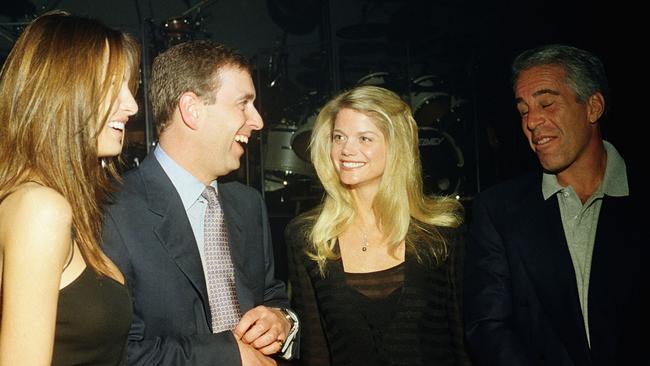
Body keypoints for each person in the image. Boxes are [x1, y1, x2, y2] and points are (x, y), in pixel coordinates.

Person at [102, 40, 299, 366]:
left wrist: (282, 321)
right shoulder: (113, 211)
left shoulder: (248, 205)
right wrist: (231, 356)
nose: (258, 121)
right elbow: (115, 353)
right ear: (192, 110)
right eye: (243, 104)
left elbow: (272, 296)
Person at [463, 44, 645, 365]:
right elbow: (488, 327)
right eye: (523, 110)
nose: (532, 121)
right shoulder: (498, 210)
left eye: (547, 103)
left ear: (593, 107)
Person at [285, 85, 470, 366]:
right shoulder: (309, 239)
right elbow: (314, 350)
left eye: (364, 138)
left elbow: (463, 341)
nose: (346, 150)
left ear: (396, 147)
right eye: (339, 137)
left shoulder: (441, 233)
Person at [0, 11, 140, 366]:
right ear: (62, 92)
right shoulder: (40, 208)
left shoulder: (53, 203)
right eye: (113, 86)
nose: (132, 105)